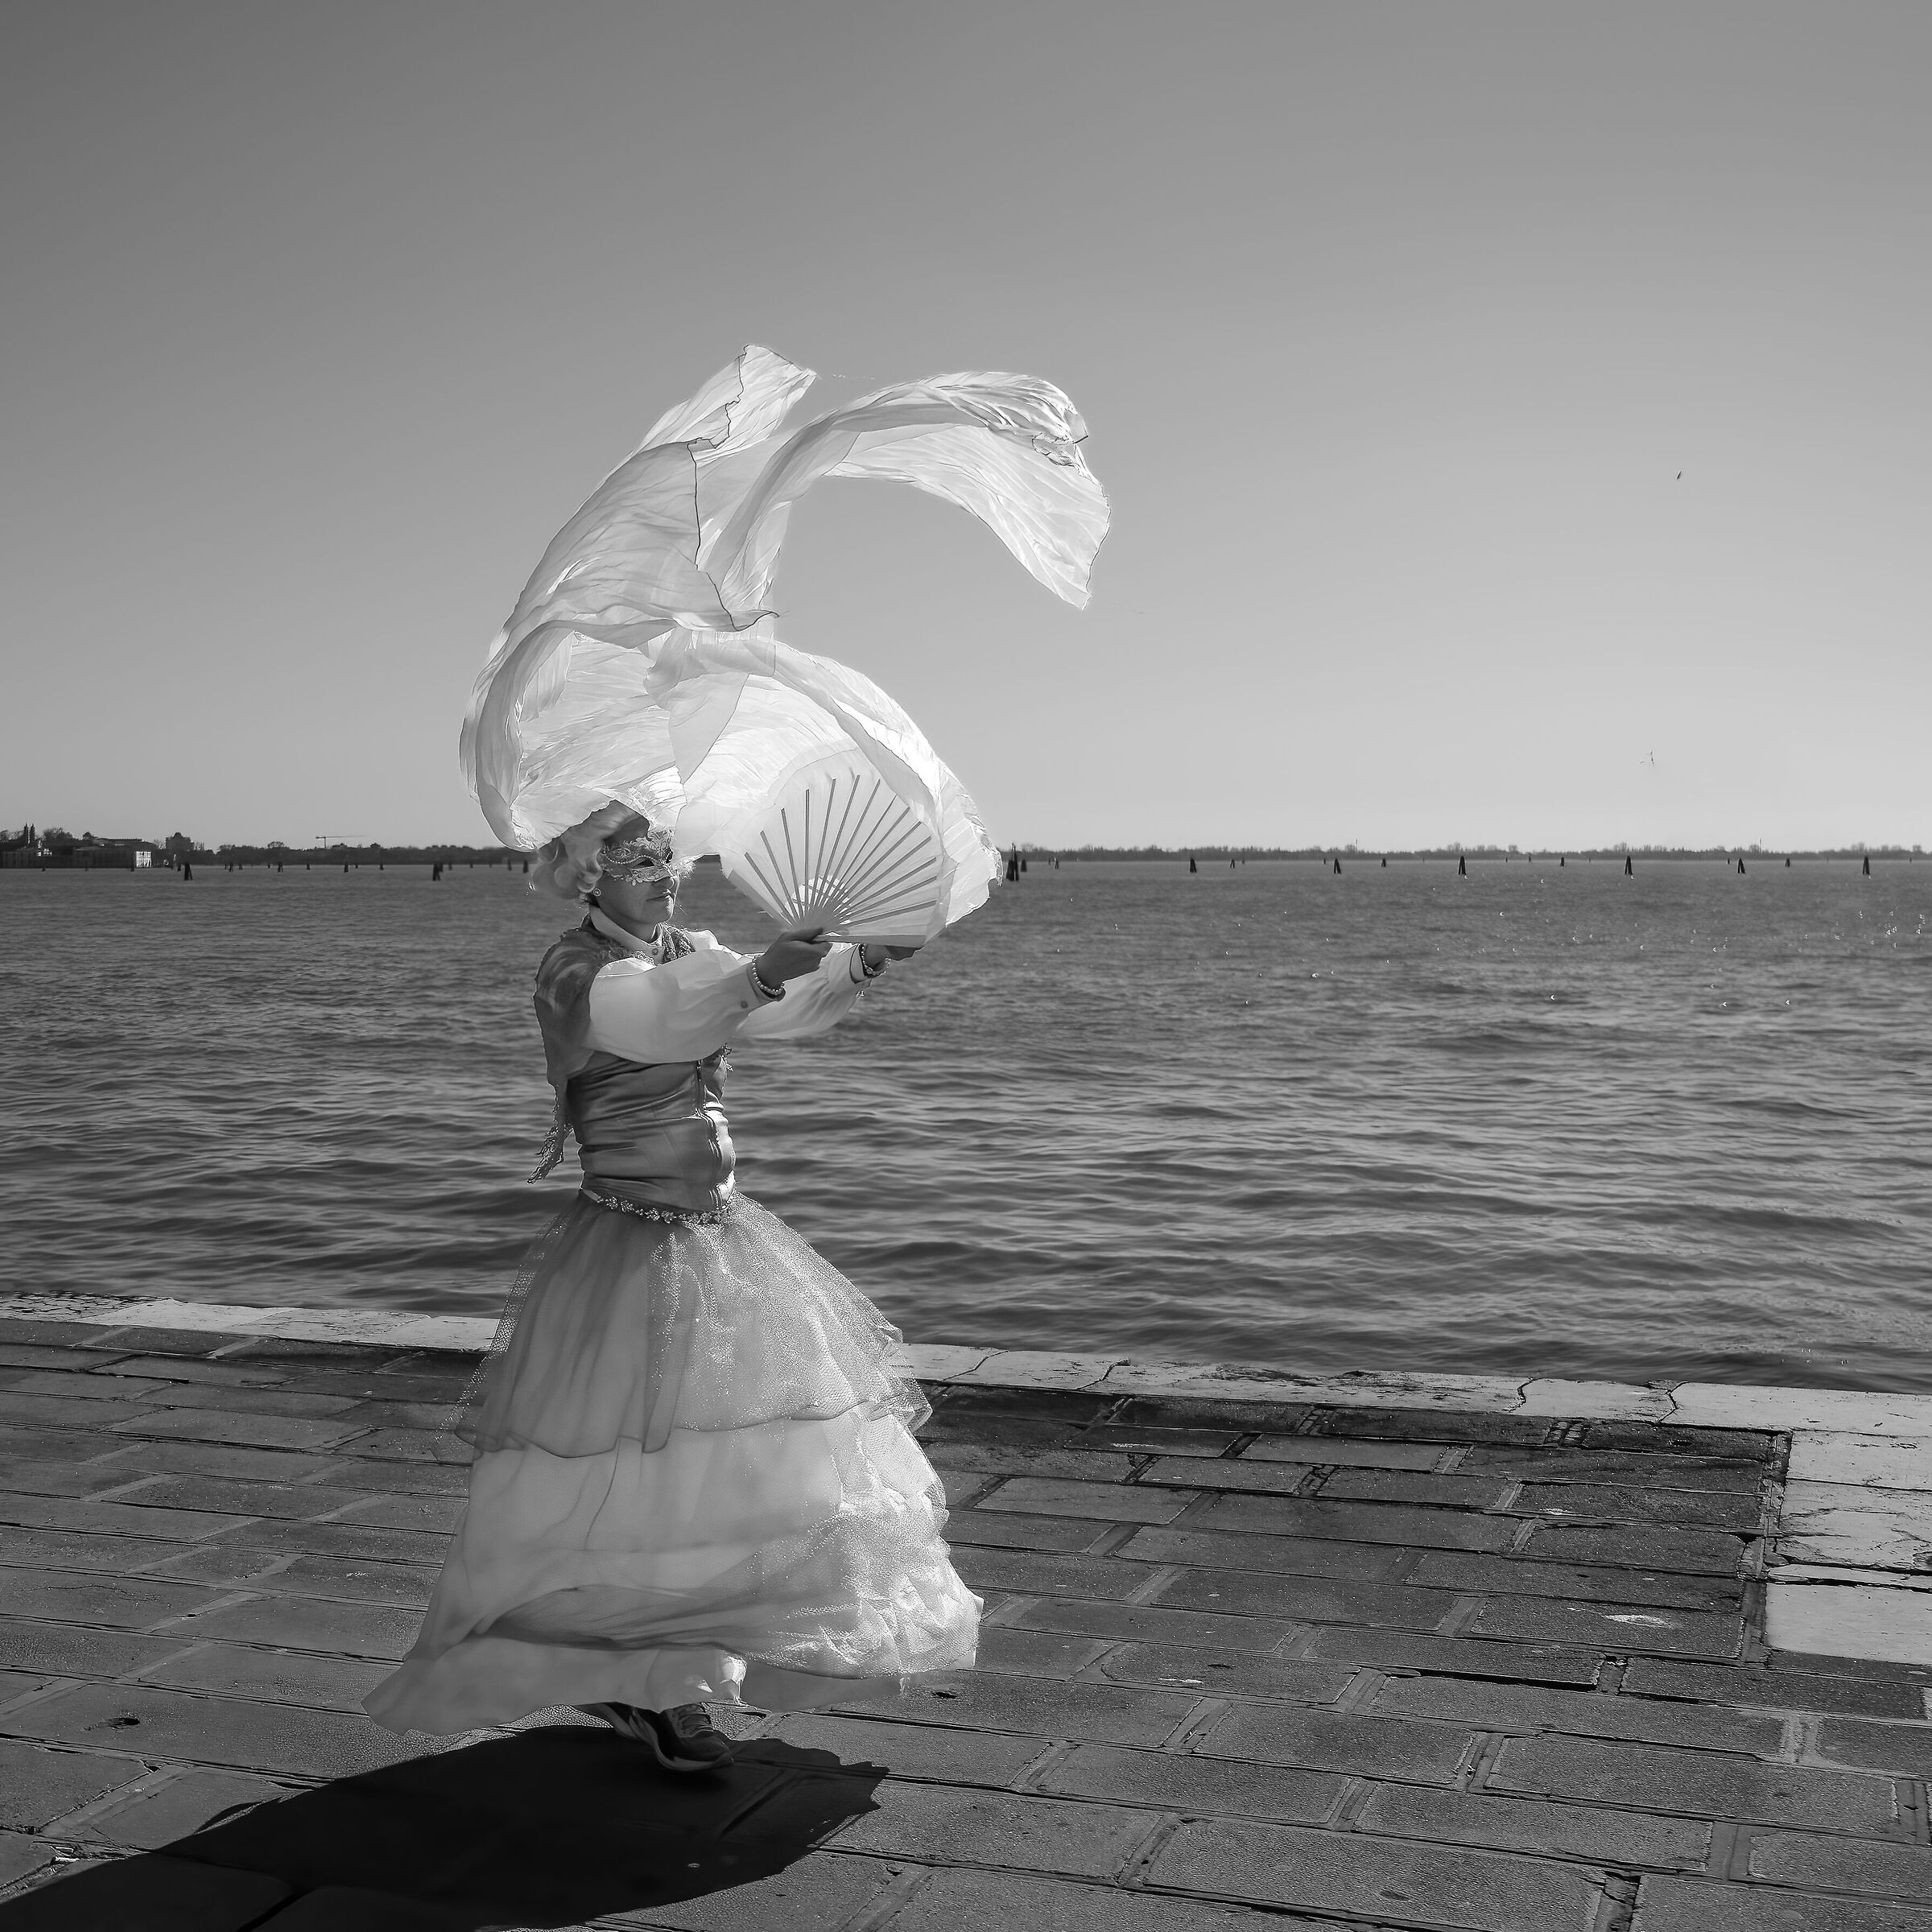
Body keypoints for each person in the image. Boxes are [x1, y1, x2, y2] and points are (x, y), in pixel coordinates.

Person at [365, 805, 979, 1769]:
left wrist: (855, 961)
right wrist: (761, 972)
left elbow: (765, 1006)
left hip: (721, 1242)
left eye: (669, 860)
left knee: (729, 1477)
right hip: (625, 1249)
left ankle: (678, 1673)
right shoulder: (576, 972)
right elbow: (661, 1019)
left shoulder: (689, 951)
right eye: (638, 862)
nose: (664, 877)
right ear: (586, 875)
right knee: (629, 1479)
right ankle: (639, 1682)